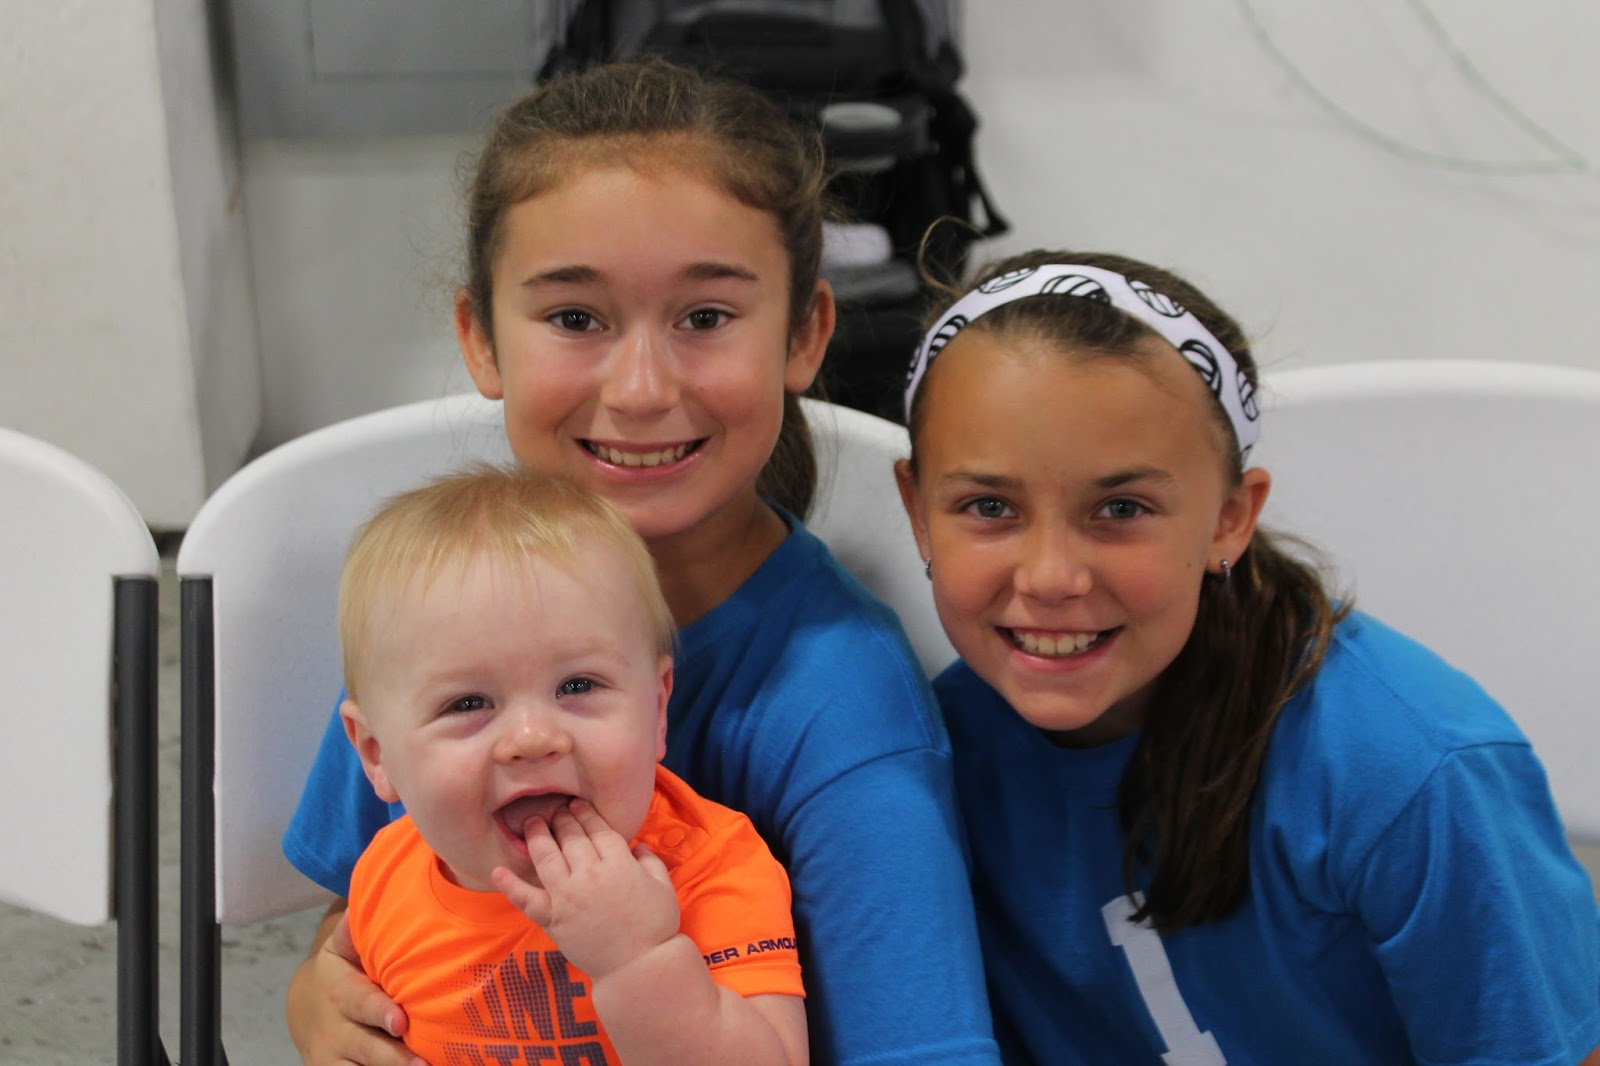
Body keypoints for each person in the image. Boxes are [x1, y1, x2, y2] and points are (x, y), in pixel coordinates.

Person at [284, 58, 997, 1066]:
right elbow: (378, 899)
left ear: (804, 335)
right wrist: (319, 996)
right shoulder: (441, 608)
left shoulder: (843, 707)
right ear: (479, 339)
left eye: (705, 318)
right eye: (576, 319)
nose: (641, 388)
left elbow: (920, 1048)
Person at [893, 250, 1600, 1065]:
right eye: (989, 506)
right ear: (917, 509)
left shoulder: (1411, 770)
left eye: (1121, 509)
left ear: (1230, 518)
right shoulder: (920, 755)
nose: (1052, 578)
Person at [334, 467, 806, 1065]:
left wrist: (637, 960)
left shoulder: (711, 871)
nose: (533, 739)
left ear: (658, 710)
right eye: (468, 703)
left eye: (577, 685)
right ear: (376, 754)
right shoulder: (385, 878)